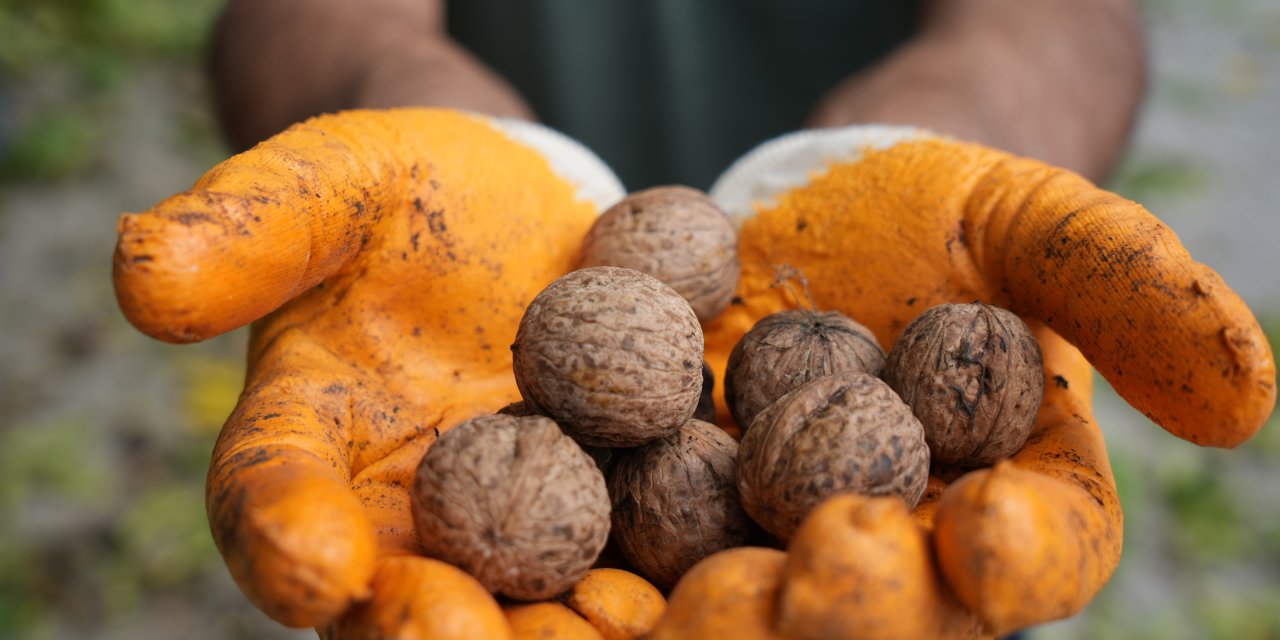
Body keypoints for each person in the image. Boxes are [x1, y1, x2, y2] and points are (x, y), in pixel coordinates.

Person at [210, 0, 1145, 189]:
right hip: (459, 340)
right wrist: (386, 94)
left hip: (900, 310)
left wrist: (969, 135)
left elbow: (1067, 15)